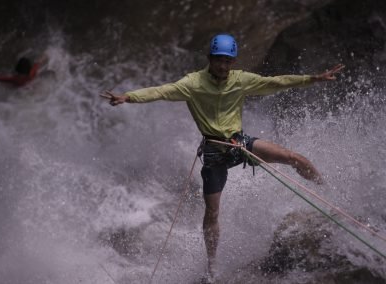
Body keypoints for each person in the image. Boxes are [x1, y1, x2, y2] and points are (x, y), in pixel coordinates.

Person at [100, 34, 344, 281]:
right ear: (210, 59)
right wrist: (128, 97)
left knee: (294, 158)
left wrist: (313, 79)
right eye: (219, 61)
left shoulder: (241, 80)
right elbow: (162, 91)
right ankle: (212, 267)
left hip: (240, 143)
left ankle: (331, 196)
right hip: (214, 152)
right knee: (212, 212)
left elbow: (276, 82)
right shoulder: (192, 83)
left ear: (233, 62)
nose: (223, 66)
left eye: (228, 61)